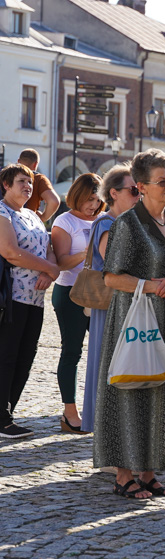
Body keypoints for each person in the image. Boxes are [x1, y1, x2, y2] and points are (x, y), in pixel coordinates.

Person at [94, 148, 165, 498]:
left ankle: (150, 472)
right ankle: (123, 475)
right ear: (142, 186)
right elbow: (111, 278)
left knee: (161, 391)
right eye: (163, 181)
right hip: (134, 317)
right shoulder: (127, 224)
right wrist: (152, 285)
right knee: (130, 389)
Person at [0, 164, 60, 439]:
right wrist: (49, 269)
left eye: (30, 182)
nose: (27, 186)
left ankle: (8, 413)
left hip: (35, 299)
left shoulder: (35, 216)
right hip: (10, 298)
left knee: (26, 357)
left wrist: (50, 270)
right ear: (6, 185)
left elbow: (48, 246)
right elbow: (11, 252)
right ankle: (1, 418)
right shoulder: (3, 213)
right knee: (7, 356)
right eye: (21, 181)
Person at [81, 164, 140, 433]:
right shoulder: (107, 223)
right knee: (107, 363)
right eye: (134, 189)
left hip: (124, 303)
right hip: (111, 304)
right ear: (114, 193)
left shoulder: (127, 221)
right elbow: (115, 264)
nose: (138, 194)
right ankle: (104, 428)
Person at [50, 173, 105, 434]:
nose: (93, 205)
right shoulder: (65, 220)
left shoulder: (104, 220)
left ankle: (100, 408)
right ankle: (70, 413)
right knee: (72, 351)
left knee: (105, 351)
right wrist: (88, 252)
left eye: (97, 199)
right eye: (89, 199)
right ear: (77, 196)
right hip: (70, 293)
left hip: (99, 294)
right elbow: (60, 262)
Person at [17, 149, 60, 223]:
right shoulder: (38, 179)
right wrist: (43, 218)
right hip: (26, 224)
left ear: (18, 161)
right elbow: (54, 201)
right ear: (35, 164)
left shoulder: (5, 175)